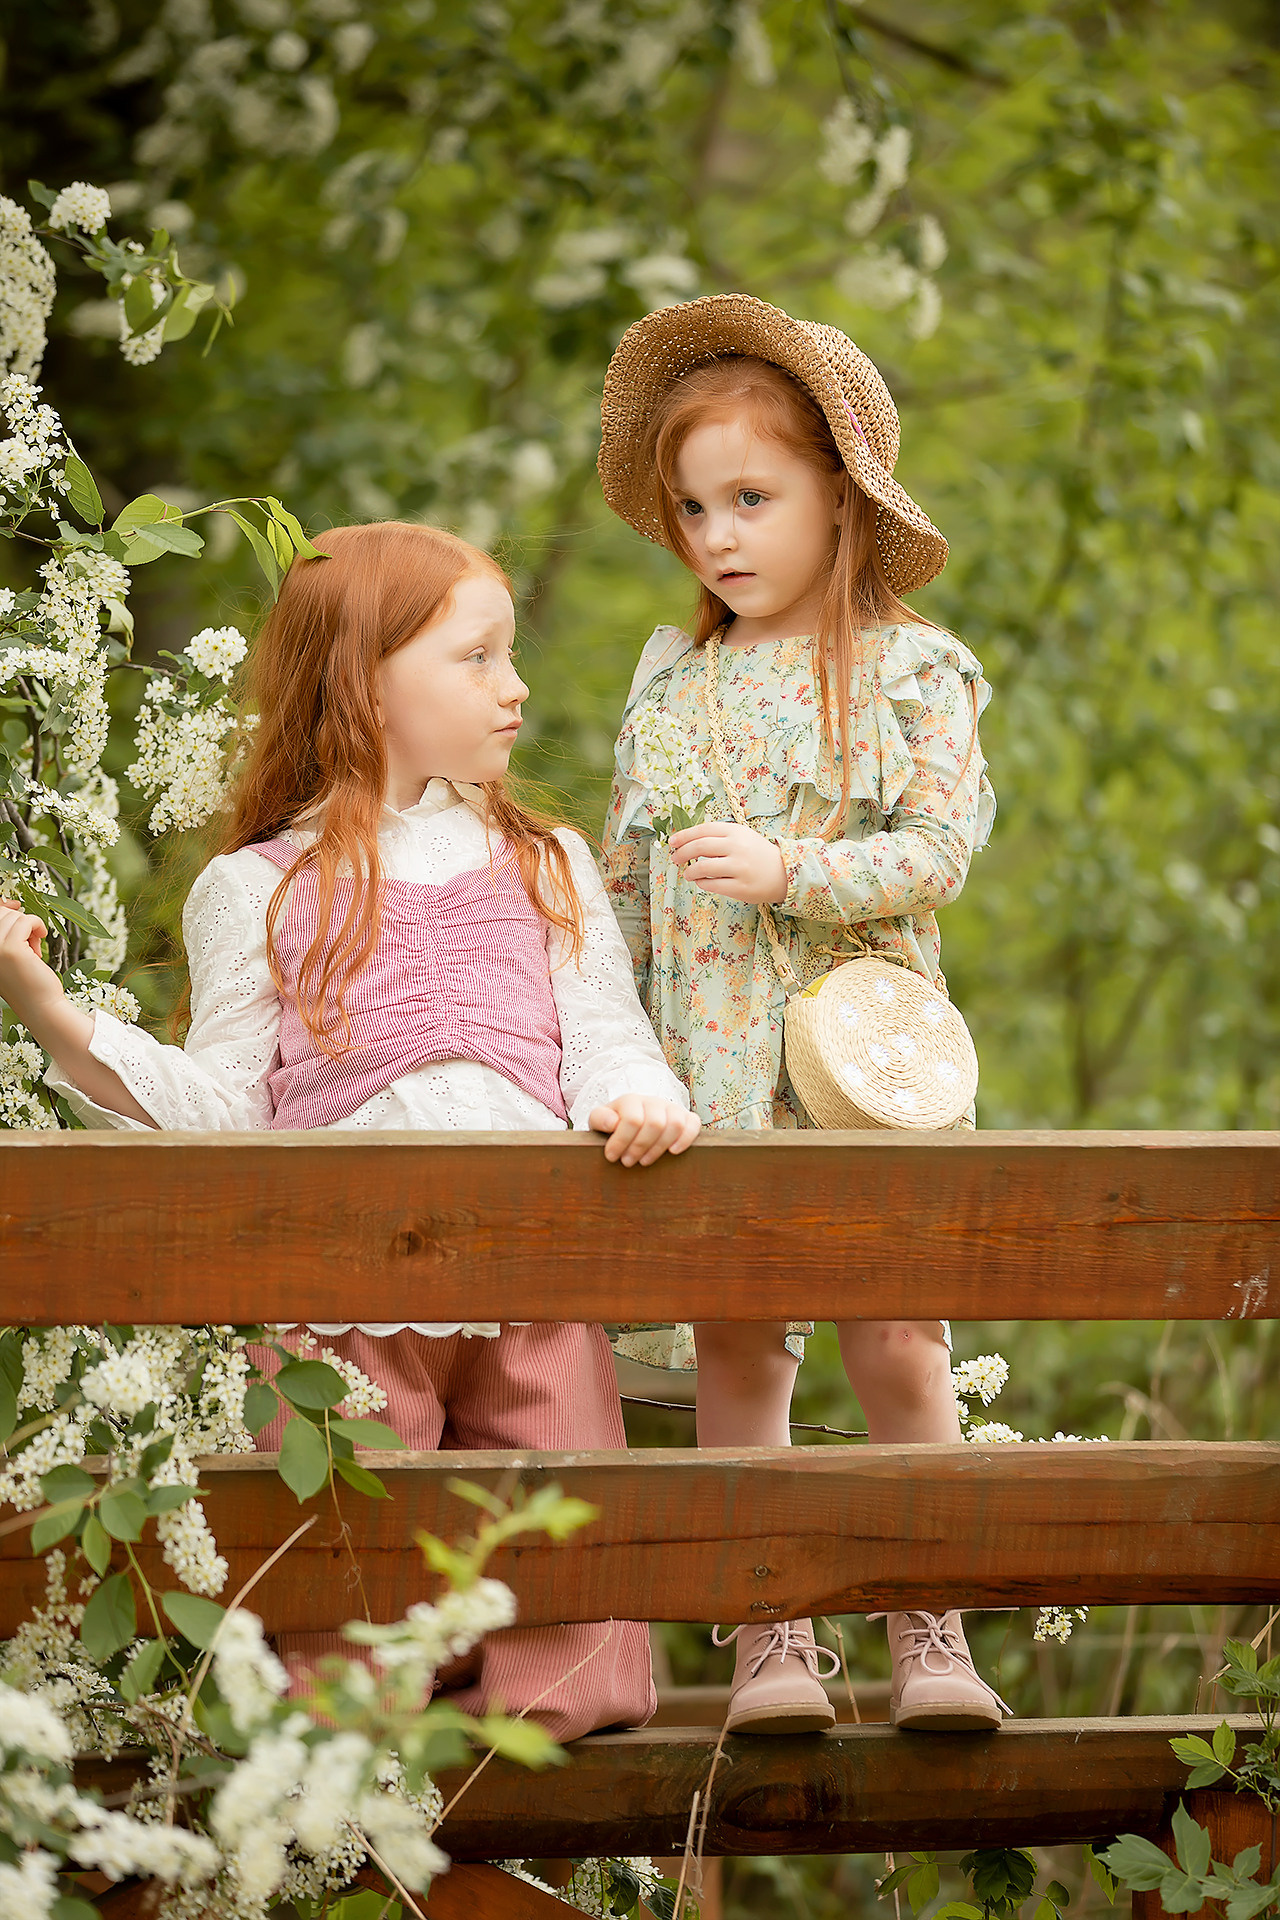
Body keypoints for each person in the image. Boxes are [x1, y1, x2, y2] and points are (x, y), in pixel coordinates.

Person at [0, 518, 700, 1742]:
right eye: (475, 657)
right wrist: (55, 1016)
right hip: (343, 1299)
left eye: (509, 654)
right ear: (365, 680)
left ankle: (527, 1741)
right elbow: (228, 1107)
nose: (514, 685)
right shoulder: (260, 884)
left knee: (568, 1548)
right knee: (348, 1573)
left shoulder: (545, 862)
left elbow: (603, 1029)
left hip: (536, 1269)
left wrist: (632, 1094)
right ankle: (358, 1753)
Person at [597, 294, 1007, 1735]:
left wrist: (794, 871)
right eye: (696, 507)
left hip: (865, 1065)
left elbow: (940, 849)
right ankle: (771, 1642)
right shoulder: (673, 692)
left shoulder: (912, 669)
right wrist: (619, 1045)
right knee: (740, 1352)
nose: (720, 535)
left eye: (754, 499)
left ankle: (931, 1634)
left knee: (900, 1340)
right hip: (710, 1067)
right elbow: (630, 895)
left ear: (842, 495)